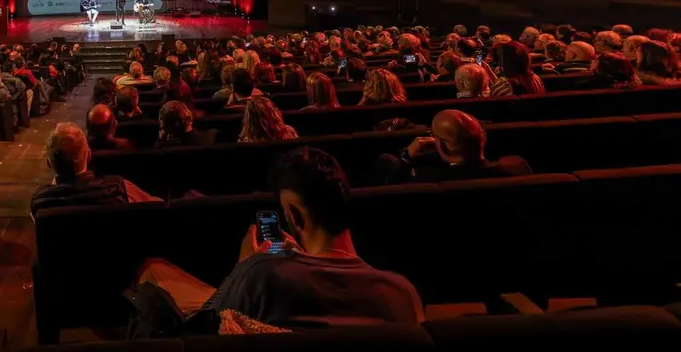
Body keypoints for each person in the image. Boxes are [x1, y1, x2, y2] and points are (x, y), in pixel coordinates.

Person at [136, 147, 422, 330]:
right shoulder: (402, 294)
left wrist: (245, 264)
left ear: (293, 217)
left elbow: (210, 325)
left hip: (223, 302)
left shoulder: (261, 277)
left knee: (153, 270)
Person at [30, 123, 158, 216]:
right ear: (89, 156)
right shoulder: (118, 188)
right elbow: (158, 206)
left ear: (49, 163)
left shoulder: (40, 202)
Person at [376, 110, 532, 184]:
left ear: (440, 146)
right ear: (483, 137)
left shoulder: (425, 179)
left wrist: (406, 156)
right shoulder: (518, 168)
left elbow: (390, 188)